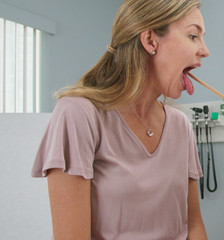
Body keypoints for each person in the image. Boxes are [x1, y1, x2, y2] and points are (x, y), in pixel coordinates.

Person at [31, 0, 210, 239]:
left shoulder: (180, 125)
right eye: (192, 36)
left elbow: (194, 225)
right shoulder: (78, 114)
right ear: (150, 40)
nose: (205, 50)